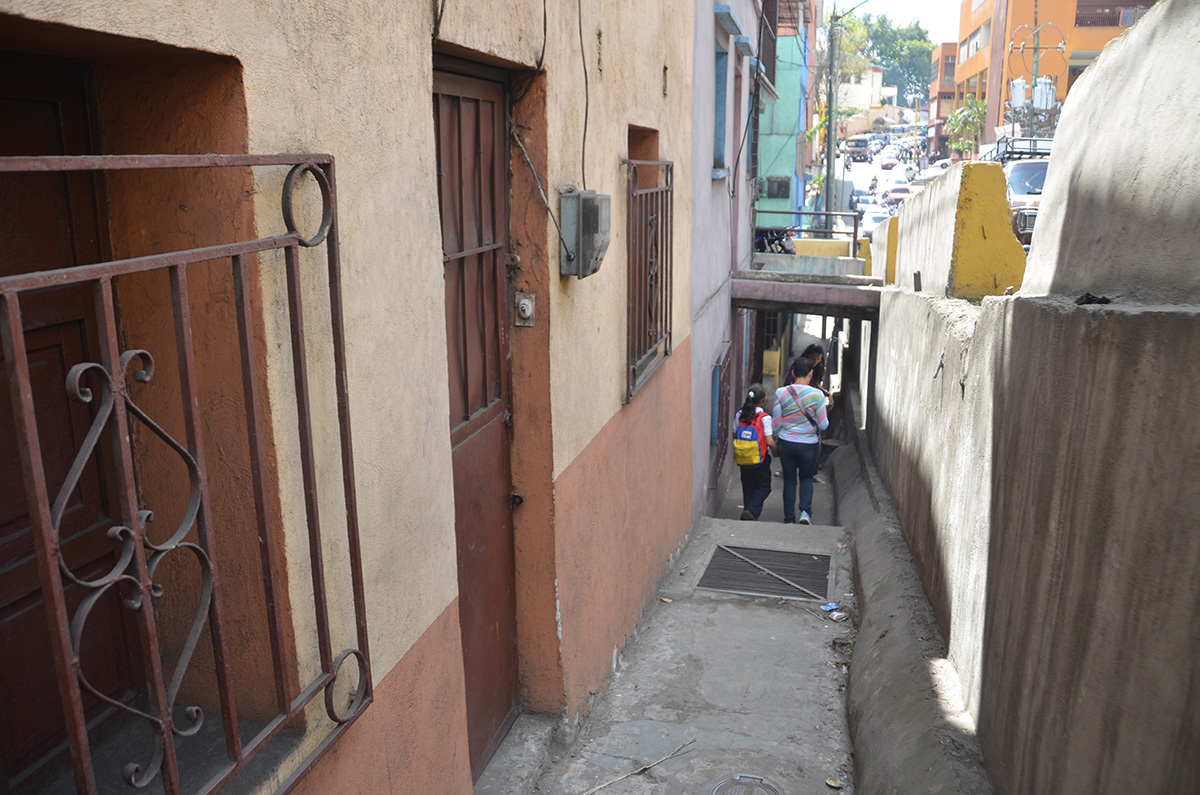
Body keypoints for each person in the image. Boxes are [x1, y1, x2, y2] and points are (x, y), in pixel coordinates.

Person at [772, 357, 829, 525]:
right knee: (805, 478)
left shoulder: (780, 393)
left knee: (789, 481)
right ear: (811, 373)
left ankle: (789, 519)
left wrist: (775, 444)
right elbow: (823, 425)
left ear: (793, 372)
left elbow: (776, 424)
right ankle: (805, 513)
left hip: (786, 443)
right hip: (809, 446)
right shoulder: (817, 395)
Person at [733, 384, 777, 521]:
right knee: (764, 486)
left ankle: (748, 512)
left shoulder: (740, 414)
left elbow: (735, 433)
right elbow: (769, 441)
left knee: (748, 486)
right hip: (760, 459)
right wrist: (776, 451)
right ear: (763, 401)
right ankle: (751, 511)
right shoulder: (765, 418)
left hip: (743, 457)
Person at [799, 343, 834, 410]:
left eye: (818, 360)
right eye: (813, 359)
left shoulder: (819, 369)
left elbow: (815, 384)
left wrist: (827, 394)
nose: (815, 362)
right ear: (808, 355)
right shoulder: (798, 366)